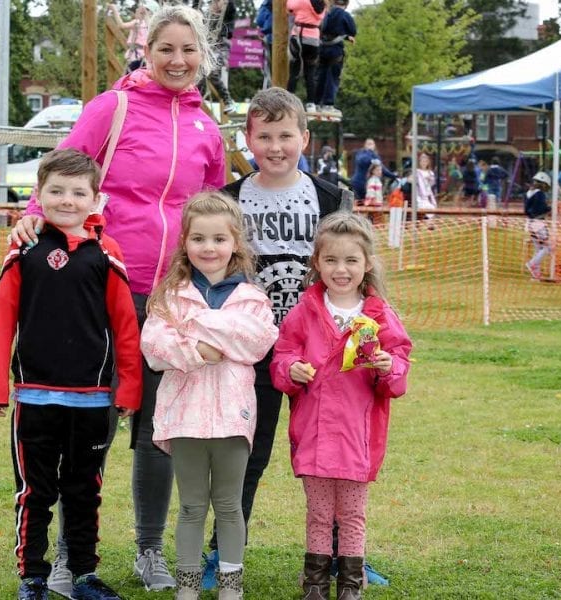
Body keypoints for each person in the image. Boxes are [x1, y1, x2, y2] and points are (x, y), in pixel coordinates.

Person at [9, 5, 225, 593]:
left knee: (159, 429)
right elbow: (64, 171)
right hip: (103, 293)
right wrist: (31, 219)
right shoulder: (114, 107)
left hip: (174, 299)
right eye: (167, 49)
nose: (178, 61)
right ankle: (65, 558)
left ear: (201, 56)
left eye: (189, 50)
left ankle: (149, 550)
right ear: (146, 52)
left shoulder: (208, 126)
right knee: (87, 427)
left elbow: (213, 215)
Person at [201, 86, 357, 590]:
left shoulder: (331, 198)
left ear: (304, 138)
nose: (275, 146)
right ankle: (221, 555)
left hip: (321, 350)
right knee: (247, 454)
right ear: (247, 138)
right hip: (253, 351)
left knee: (333, 457)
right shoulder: (229, 199)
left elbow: (353, 264)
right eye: (263, 135)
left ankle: (342, 556)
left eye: (285, 135)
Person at [0, 149, 142, 600]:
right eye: (56, 190)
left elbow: (124, 326)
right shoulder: (24, 245)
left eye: (78, 192)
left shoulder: (107, 253)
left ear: (96, 200)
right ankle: (32, 577)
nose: (67, 200)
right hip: (34, 397)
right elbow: (3, 319)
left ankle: (84, 575)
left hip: (92, 400)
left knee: (83, 492)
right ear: (39, 194)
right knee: (34, 492)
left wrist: (128, 387)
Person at [140, 192, 278, 600]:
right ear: (185, 242)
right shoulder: (169, 295)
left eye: (219, 239)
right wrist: (199, 350)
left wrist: (195, 324)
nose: (209, 248)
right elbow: (155, 347)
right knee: (191, 507)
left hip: (233, 418)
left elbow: (256, 341)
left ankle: (231, 588)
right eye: (199, 239)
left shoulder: (253, 298)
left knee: (230, 506)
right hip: (185, 416)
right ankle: (187, 588)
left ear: (235, 242)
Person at [270, 212, 412, 600]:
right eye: (331, 260)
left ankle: (351, 583)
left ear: (367, 264)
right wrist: (290, 369)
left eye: (351, 260)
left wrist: (388, 367)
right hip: (314, 433)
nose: (341, 269)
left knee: (351, 515)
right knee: (317, 514)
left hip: (357, 437)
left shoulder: (380, 317)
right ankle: (314, 583)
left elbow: (399, 368)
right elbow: (281, 356)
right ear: (317, 263)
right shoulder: (304, 312)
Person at [313, 0, 356, 116]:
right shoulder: (344, 15)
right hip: (335, 50)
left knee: (321, 76)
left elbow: (323, 29)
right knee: (333, 77)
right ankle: (328, 104)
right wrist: (347, 34)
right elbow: (353, 30)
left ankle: (316, 103)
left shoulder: (327, 13)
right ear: (346, 4)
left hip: (322, 48)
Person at [286, 0, 327, 112]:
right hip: (314, 38)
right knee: (310, 72)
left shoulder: (302, 1)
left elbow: (289, 7)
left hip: (299, 36)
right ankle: (311, 104)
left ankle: (288, 102)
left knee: (294, 70)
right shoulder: (322, 4)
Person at [200, 0, 237, 115]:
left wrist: (223, 3)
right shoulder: (208, 16)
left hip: (221, 45)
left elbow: (228, 6)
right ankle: (198, 97)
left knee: (212, 71)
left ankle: (228, 100)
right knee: (200, 73)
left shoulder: (227, 11)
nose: (216, 5)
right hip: (209, 46)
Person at [524, 172, 552, 280]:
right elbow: (540, 209)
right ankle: (532, 264)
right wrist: (549, 208)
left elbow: (526, 210)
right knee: (547, 247)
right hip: (538, 224)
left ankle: (536, 275)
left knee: (538, 248)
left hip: (530, 223)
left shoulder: (528, 193)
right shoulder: (540, 194)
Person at [349, 138, 393, 205]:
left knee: (371, 202)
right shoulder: (361, 153)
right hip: (359, 184)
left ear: (374, 145)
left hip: (370, 183)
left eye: (372, 144)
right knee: (359, 203)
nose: (370, 146)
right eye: (368, 144)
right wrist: (369, 152)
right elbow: (361, 161)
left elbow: (382, 169)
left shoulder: (376, 156)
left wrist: (393, 176)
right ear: (365, 145)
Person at [109, 2, 151, 72]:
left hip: (135, 56)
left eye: (139, 12)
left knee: (130, 77)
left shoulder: (137, 22)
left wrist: (114, 10)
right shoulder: (149, 25)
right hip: (145, 56)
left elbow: (121, 25)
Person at [414, 152, 437, 216]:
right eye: (422, 161)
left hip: (428, 195)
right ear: (419, 162)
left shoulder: (430, 173)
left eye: (425, 161)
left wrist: (429, 179)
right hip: (420, 195)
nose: (424, 163)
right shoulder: (417, 172)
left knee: (432, 208)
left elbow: (432, 184)